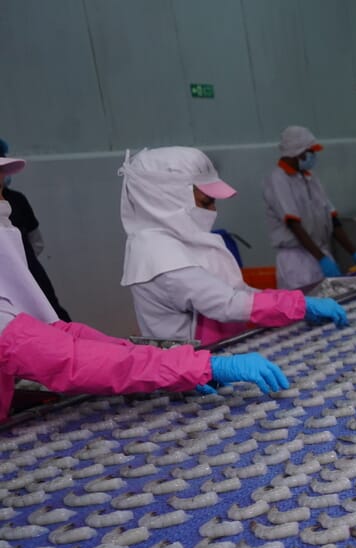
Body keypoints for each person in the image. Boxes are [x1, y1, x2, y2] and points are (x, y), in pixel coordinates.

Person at [0, 154, 288, 420]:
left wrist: (180, 367)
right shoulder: (158, 252)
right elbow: (68, 359)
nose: (6, 205)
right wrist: (198, 367)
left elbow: (64, 336)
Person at [121, 147, 349, 346]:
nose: (213, 211)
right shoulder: (158, 255)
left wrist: (294, 308)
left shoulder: (185, 241)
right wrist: (299, 305)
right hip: (191, 373)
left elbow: (237, 293)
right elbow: (228, 304)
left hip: (214, 357)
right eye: (205, 203)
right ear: (167, 200)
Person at [263, 126, 356, 289]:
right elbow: (294, 224)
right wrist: (321, 259)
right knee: (305, 308)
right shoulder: (278, 180)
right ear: (298, 152)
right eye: (310, 151)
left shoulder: (310, 179)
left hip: (320, 253)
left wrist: (355, 253)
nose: (313, 156)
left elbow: (332, 219)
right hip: (297, 261)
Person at [0, 138, 70, 321]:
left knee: (52, 316)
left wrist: (19, 260)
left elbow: (35, 241)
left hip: (30, 270)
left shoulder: (16, 200)